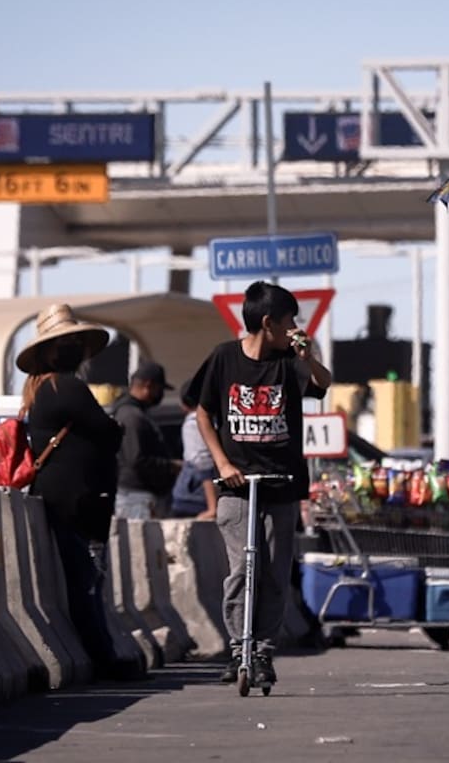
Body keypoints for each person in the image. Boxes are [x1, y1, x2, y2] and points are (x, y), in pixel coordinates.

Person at [195, 281, 332, 687]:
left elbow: (323, 386)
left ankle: (264, 653)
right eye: (289, 320)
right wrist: (222, 462)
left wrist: (309, 358)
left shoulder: (290, 361)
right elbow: (203, 413)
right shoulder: (223, 358)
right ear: (268, 323)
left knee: (273, 571)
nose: (294, 327)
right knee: (240, 569)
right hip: (237, 486)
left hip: (282, 484)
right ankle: (239, 648)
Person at [16, 304, 135, 680]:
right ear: (52, 351)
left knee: (86, 577)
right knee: (88, 580)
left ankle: (103, 654)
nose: (73, 350)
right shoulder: (64, 387)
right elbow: (108, 432)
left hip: (65, 499)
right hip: (80, 503)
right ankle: (104, 658)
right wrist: (110, 428)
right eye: (65, 343)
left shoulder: (40, 390)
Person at [111, 361, 178, 520]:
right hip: (136, 497)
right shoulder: (131, 416)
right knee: (140, 544)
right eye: (159, 389)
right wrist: (171, 466)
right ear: (148, 386)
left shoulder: (133, 413)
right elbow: (136, 460)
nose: (160, 395)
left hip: (137, 496)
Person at [169, 375, 219, 520]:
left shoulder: (193, 423)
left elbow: (203, 462)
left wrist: (212, 507)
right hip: (197, 497)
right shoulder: (201, 422)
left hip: (194, 498)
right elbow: (203, 462)